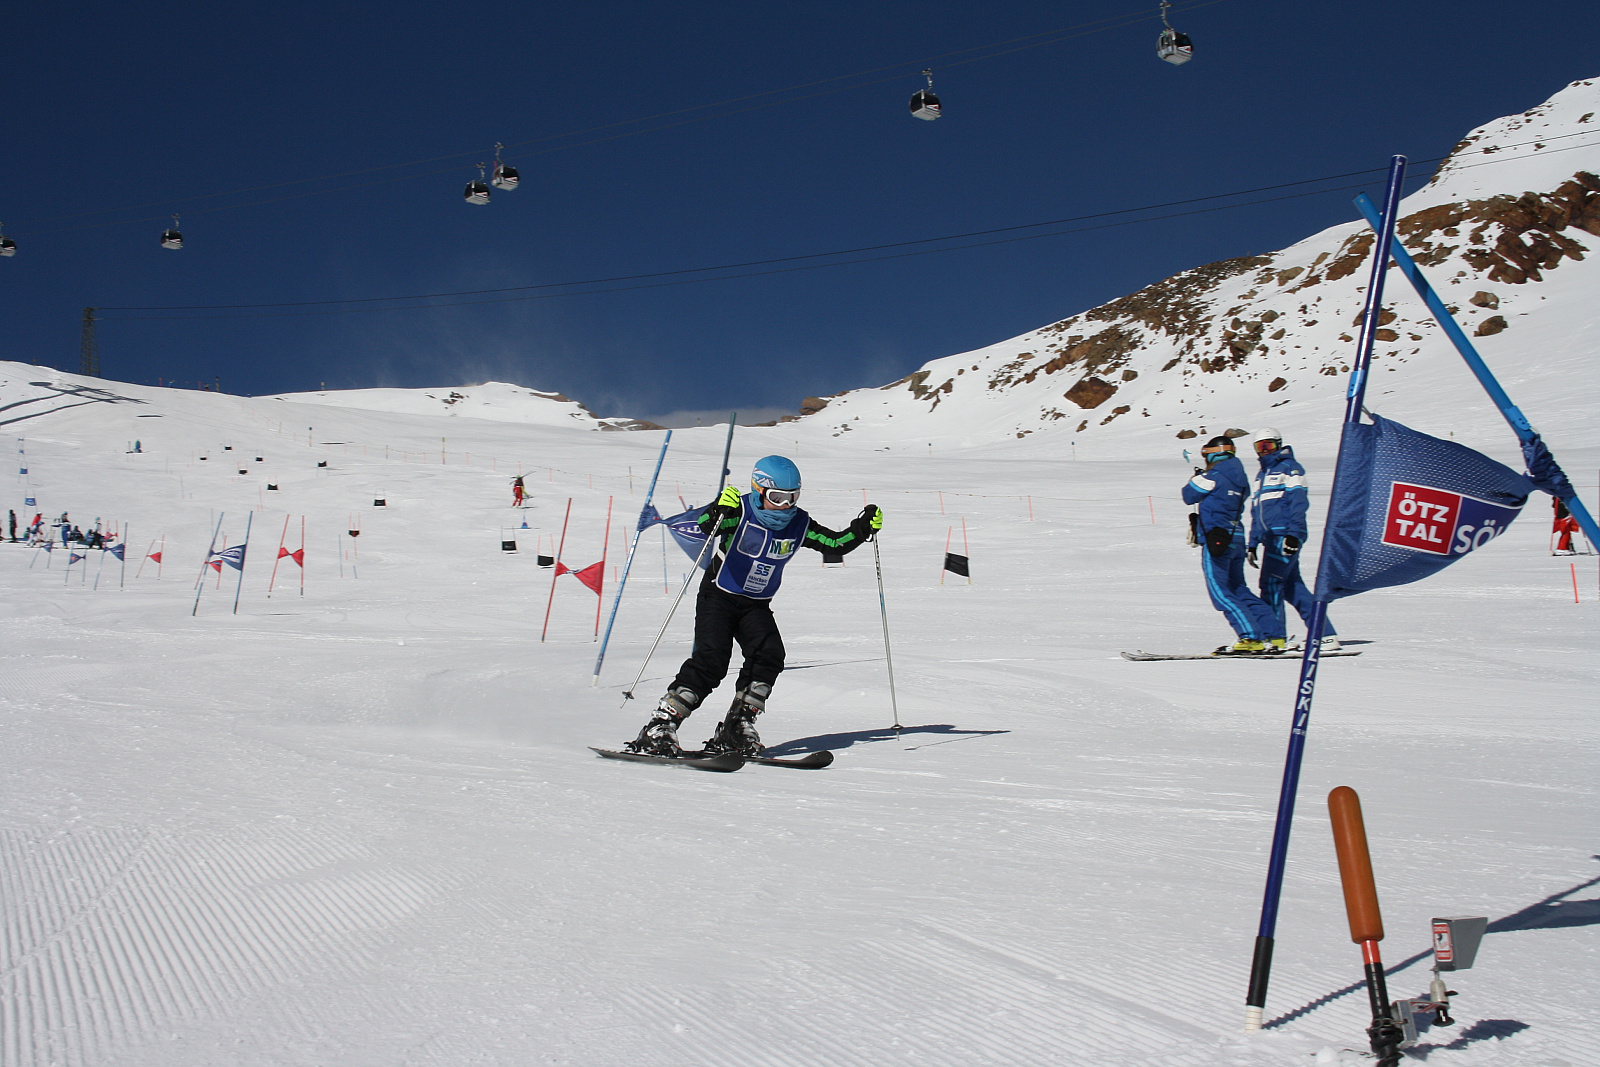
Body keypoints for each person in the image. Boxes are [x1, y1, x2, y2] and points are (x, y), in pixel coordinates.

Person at [626, 455, 883, 757]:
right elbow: (706, 526)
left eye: (792, 498)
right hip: (719, 596)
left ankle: (737, 727)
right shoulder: (739, 512)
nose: (784, 506)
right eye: (777, 497)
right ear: (758, 491)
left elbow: (835, 544)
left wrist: (862, 528)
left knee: (769, 655)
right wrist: (719, 508)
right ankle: (660, 726)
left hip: (755, 605)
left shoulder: (799, 524)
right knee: (712, 662)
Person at [1182, 436, 1279, 654]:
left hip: (1216, 539)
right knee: (1239, 589)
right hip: (1236, 536)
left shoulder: (1213, 475)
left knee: (1220, 592)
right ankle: (1274, 634)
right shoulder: (1240, 477)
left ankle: (1250, 637)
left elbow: (1188, 495)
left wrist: (1198, 478)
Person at [1246, 428, 1340, 651]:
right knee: (1292, 588)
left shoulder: (1290, 468)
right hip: (1270, 537)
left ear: (1278, 445)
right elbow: (1257, 513)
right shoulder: (1262, 475)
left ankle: (1274, 636)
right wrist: (1253, 543)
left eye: (1268, 445)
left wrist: (1294, 535)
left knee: (1271, 584)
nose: (1265, 451)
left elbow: (1298, 504)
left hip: (1283, 535)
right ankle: (1325, 634)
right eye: (1260, 447)